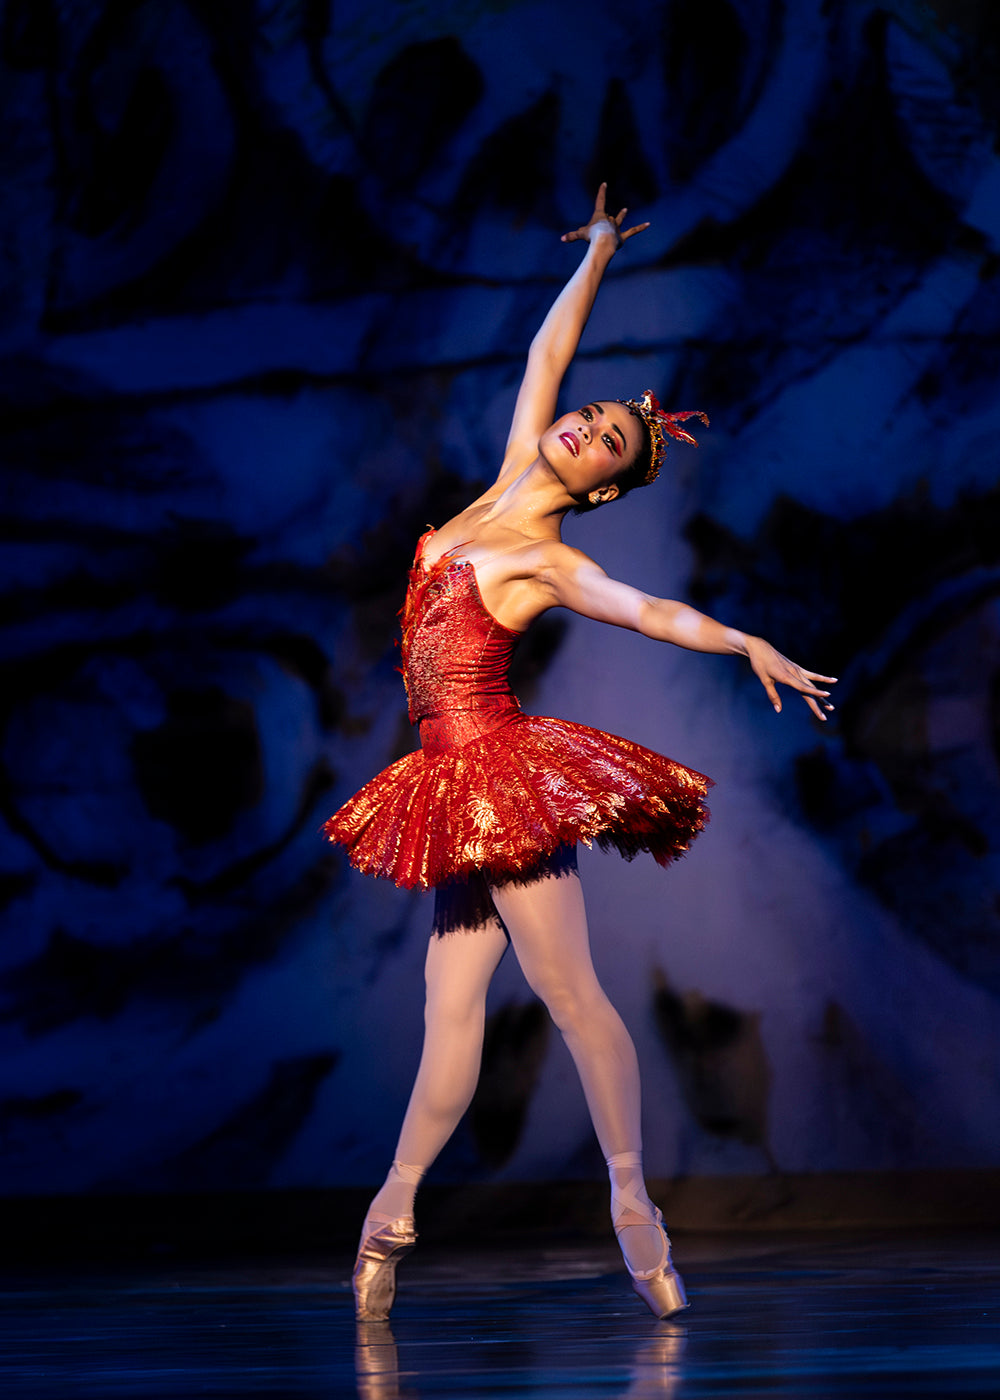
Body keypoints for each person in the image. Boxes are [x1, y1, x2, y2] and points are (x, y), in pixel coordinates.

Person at [324, 185, 836, 1321]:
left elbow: (650, 611)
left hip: (497, 772)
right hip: (444, 782)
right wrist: (599, 250)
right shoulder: (504, 474)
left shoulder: (549, 558)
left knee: (570, 995)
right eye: (592, 413)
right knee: (446, 1011)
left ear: (601, 484)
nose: (579, 423)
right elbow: (545, 348)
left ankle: (630, 1206)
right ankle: (390, 1218)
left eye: (602, 437)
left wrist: (742, 635)